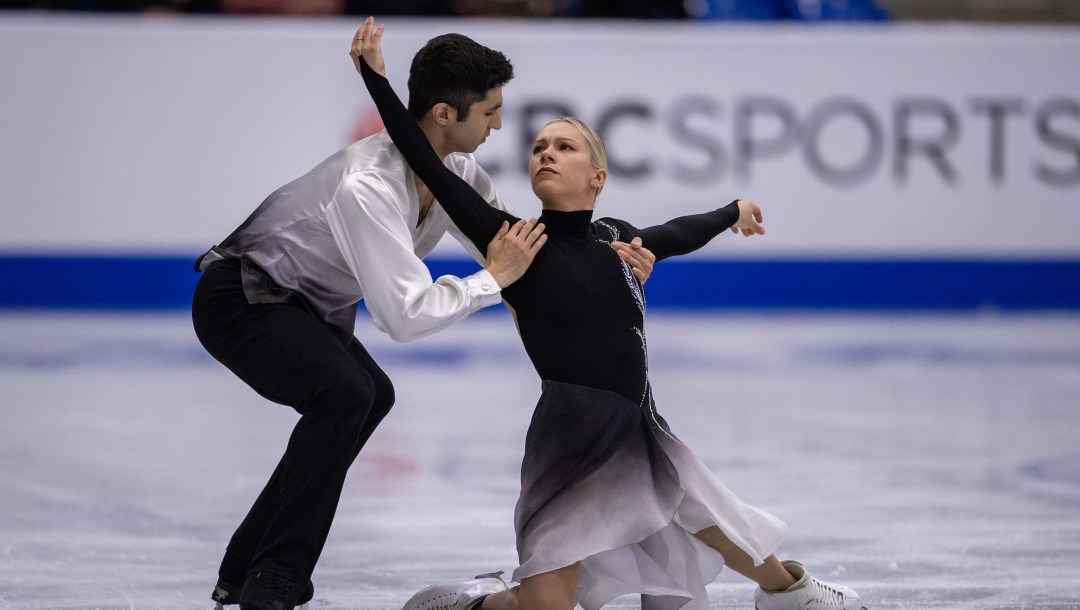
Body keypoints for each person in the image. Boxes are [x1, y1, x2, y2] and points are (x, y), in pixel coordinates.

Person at [352, 18, 866, 610]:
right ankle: (478, 601)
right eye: (540, 147)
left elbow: (673, 232)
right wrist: (375, 78)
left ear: (596, 176)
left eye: (563, 147)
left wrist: (733, 210)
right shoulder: (515, 241)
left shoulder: (618, 238)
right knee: (547, 606)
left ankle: (792, 594)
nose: (546, 153)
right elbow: (430, 164)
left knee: (718, 519)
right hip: (569, 437)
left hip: (639, 422)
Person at [191, 26, 657, 610]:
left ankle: (244, 564)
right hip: (241, 298)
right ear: (444, 112)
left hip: (307, 307)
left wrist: (611, 272)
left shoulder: (462, 176)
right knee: (343, 395)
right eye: (489, 111)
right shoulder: (368, 185)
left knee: (365, 394)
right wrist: (494, 280)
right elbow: (404, 317)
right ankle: (277, 574)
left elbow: (532, 266)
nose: (497, 126)